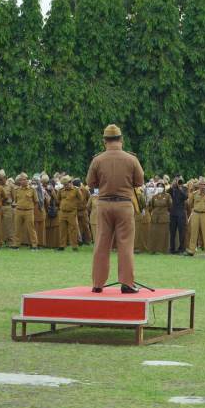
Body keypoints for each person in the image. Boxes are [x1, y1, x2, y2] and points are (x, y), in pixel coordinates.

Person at [87, 124, 145, 293]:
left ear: (105, 141)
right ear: (121, 140)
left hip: (104, 204)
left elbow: (90, 182)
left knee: (101, 243)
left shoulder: (97, 159)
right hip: (124, 204)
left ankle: (98, 284)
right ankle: (126, 283)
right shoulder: (131, 159)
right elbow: (139, 182)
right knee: (125, 244)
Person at [185, 177, 205, 257]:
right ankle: (191, 250)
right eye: (201, 184)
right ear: (199, 185)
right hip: (195, 213)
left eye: (204, 184)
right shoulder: (194, 194)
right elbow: (190, 204)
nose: (203, 186)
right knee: (194, 232)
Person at [12, 173, 39, 250]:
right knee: (17, 228)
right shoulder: (16, 190)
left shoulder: (32, 190)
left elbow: (36, 201)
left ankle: (34, 245)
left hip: (29, 211)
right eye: (21, 180)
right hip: (19, 211)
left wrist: (32, 210)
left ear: (27, 180)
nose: (23, 181)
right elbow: (15, 200)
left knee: (31, 228)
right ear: (19, 181)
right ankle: (16, 244)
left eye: (24, 180)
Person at [56, 176, 82, 251]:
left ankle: (74, 246)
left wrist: (74, 206)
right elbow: (58, 200)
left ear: (70, 183)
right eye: (64, 185)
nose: (65, 186)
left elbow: (81, 199)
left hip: (72, 213)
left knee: (73, 230)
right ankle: (62, 246)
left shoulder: (76, 190)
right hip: (62, 213)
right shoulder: (61, 190)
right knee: (62, 230)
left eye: (66, 184)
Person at [147, 182, 171, 254]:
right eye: (158, 186)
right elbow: (151, 206)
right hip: (155, 217)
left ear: (164, 188)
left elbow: (170, 205)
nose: (159, 188)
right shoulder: (154, 196)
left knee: (163, 234)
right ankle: (153, 249)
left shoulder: (167, 196)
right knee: (154, 233)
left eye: (161, 186)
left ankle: (163, 250)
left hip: (164, 217)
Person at [168, 176, 188, 254]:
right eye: (176, 180)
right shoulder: (172, 189)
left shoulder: (184, 188)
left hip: (181, 213)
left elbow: (186, 197)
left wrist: (180, 188)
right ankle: (172, 249)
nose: (177, 182)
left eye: (179, 180)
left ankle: (181, 249)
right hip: (173, 213)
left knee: (181, 232)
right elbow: (166, 193)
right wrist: (172, 185)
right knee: (172, 232)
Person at [74, 178, 93, 245]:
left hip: (83, 210)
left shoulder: (85, 190)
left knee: (86, 226)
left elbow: (89, 198)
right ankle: (79, 240)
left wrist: (87, 207)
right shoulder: (74, 190)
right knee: (77, 227)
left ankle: (88, 240)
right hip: (76, 210)